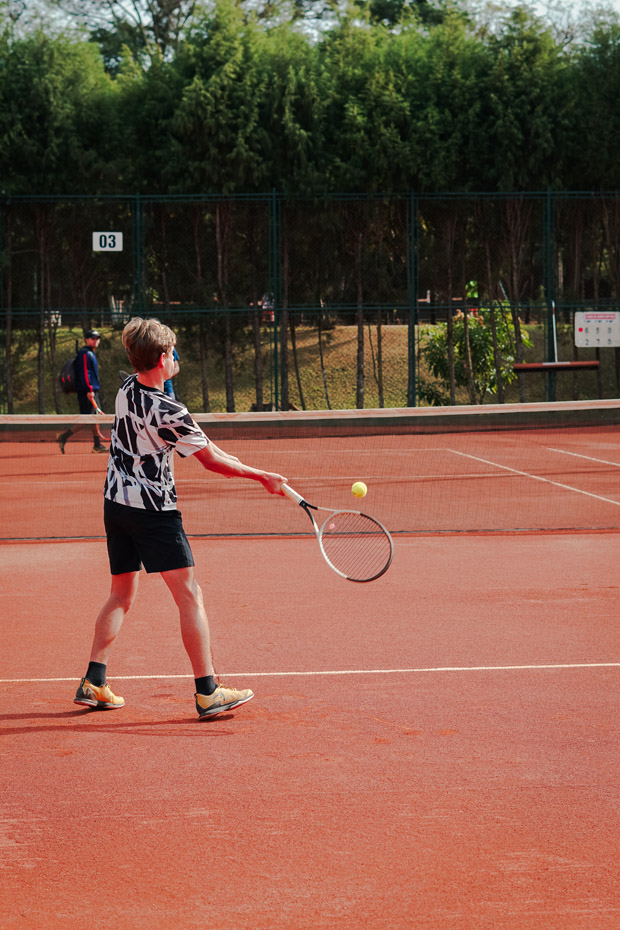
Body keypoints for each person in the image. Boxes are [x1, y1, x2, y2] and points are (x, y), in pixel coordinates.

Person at [73, 317, 287, 720]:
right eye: (172, 352)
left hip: (116, 505)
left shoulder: (126, 389)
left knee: (121, 594)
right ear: (161, 359)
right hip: (154, 512)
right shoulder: (169, 410)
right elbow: (211, 462)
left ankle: (93, 681)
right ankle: (208, 692)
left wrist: (250, 467)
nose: (176, 358)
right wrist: (262, 477)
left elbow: (207, 445)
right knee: (190, 595)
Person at [57, 329, 108, 454]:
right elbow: (85, 373)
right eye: (93, 338)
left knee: (93, 417)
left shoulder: (90, 353)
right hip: (87, 392)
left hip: (90, 390)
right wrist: (89, 390)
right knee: (87, 419)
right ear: (87, 340)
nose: (95, 341)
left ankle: (97, 445)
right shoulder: (85, 353)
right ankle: (63, 437)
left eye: (97, 338)